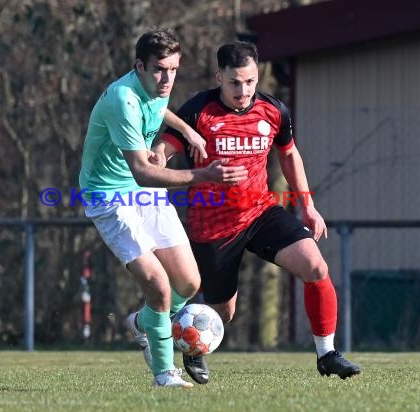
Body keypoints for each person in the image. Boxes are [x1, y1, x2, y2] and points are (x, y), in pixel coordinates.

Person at [155, 41, 362, 384]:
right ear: (219, 76)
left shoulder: (273, 110)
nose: (243, 90)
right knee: (224, 312)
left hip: (261, 211)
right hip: (214, 224)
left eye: (250, 82)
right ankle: (192, 348)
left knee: (315, 265)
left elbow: (289, 155)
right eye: (235, 82)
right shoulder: (197, 111)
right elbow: (166, 148)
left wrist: (307, 206)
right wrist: (156, 157)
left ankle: (327, 353)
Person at [78, 29, 248, 388]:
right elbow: (143, 172)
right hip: (109, 196)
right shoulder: (122, 100)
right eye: (159, 70)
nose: (167, 78)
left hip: (141, 192)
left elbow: (160, 109)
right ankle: (164, 372)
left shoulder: (154, 88)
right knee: (158, 285)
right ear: (139, 66)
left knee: (188, 281)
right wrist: (204, 175)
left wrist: (189, 131)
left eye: (173, 69)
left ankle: (144, 324)